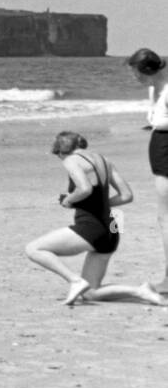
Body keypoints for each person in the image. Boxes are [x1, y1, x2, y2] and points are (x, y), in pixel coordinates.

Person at [24, 131, 162, 305]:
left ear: (61, 150)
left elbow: (85, 189)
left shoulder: (71, 160)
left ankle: (74, 280)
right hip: (112, 227)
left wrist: (68, 200)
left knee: (34, 249)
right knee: (91, 293)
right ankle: (140, 291)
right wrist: (99, 205)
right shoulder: (104, 160)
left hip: (92, 227)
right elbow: (126, 196)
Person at [128, 48, 168, 293]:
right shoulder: (156, 86)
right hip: (160, 144)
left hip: (165, 146)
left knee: (165, 217)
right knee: (163, 216)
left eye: (136, 73)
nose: (134, 78)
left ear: (147, 71)